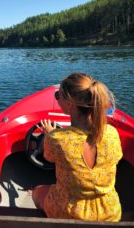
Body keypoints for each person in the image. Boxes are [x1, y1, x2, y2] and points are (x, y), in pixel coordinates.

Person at [32, 72, 123, 221]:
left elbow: (48, 157)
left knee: (37, 191)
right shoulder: (112, 133)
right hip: (109, 213)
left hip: (69, 213)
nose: (56, 99)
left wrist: (48, 134)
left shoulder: (57, 139)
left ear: (69, 104)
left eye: (57, 96)